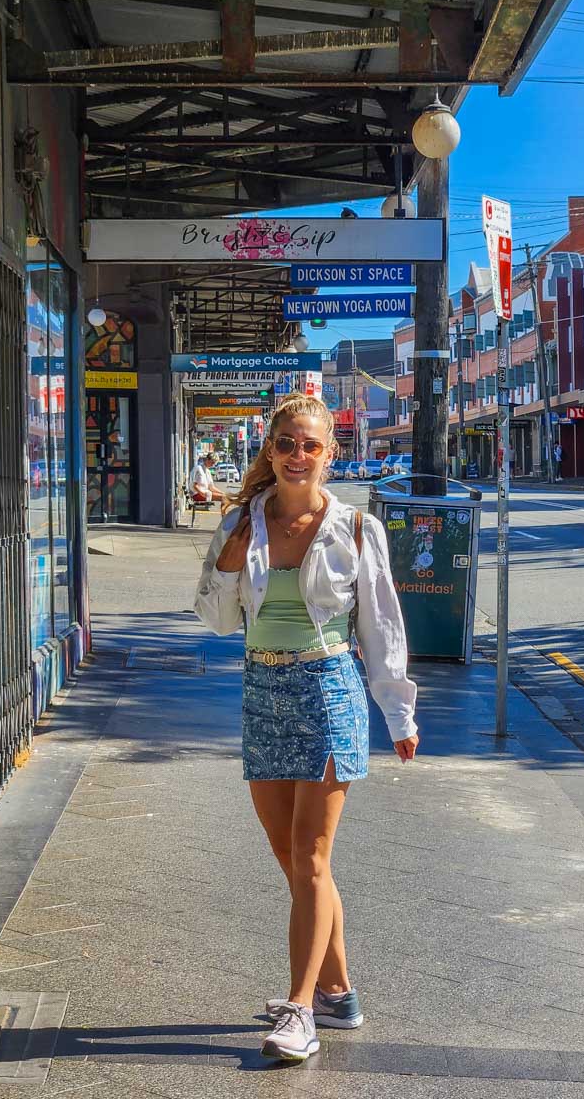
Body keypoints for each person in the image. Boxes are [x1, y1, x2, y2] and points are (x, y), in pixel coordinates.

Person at [195, 394, 418, 1063]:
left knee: (313, 856)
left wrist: (398, 711)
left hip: (329, 691)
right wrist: (230, 561)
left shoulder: (354, 527)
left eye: (310, 445)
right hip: (261, 688)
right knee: (289, 857)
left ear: (330, 453)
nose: (298, 455)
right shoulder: (244, 521)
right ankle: (339, 992)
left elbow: (381, 625)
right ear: (270, 449)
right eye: (286, 443)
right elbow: (215, 621)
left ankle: (301, 1011)